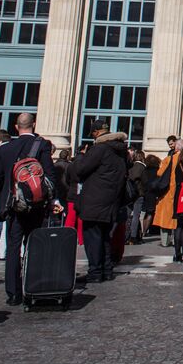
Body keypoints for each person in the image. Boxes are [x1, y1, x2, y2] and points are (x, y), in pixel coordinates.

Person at [0, 112, 59, 306]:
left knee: (13, 247)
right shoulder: (41, 145)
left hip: (13, 205)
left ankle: (13, 293)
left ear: (16, 127)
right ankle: (33, 287)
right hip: (36, 205)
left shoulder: (5, 149)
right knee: (35, 245)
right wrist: (52, 200)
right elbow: (50, 176)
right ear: (33, 125)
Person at [73, 119, 128, 282]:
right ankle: (107, 269)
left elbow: (80, 170)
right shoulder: (120, 151)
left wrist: (81, 157)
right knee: (104, 237)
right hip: (112, 199)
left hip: (95, 199)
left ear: (96, 133)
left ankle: (95, 272)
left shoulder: (99, 149)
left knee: (93, 237)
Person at [152, 141, 183, 247]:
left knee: (165, 220)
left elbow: (159, 173)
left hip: (167, 192)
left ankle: (165, 242)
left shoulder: (169, 159)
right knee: (177, 219)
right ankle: (177, 241)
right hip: (180, 192)